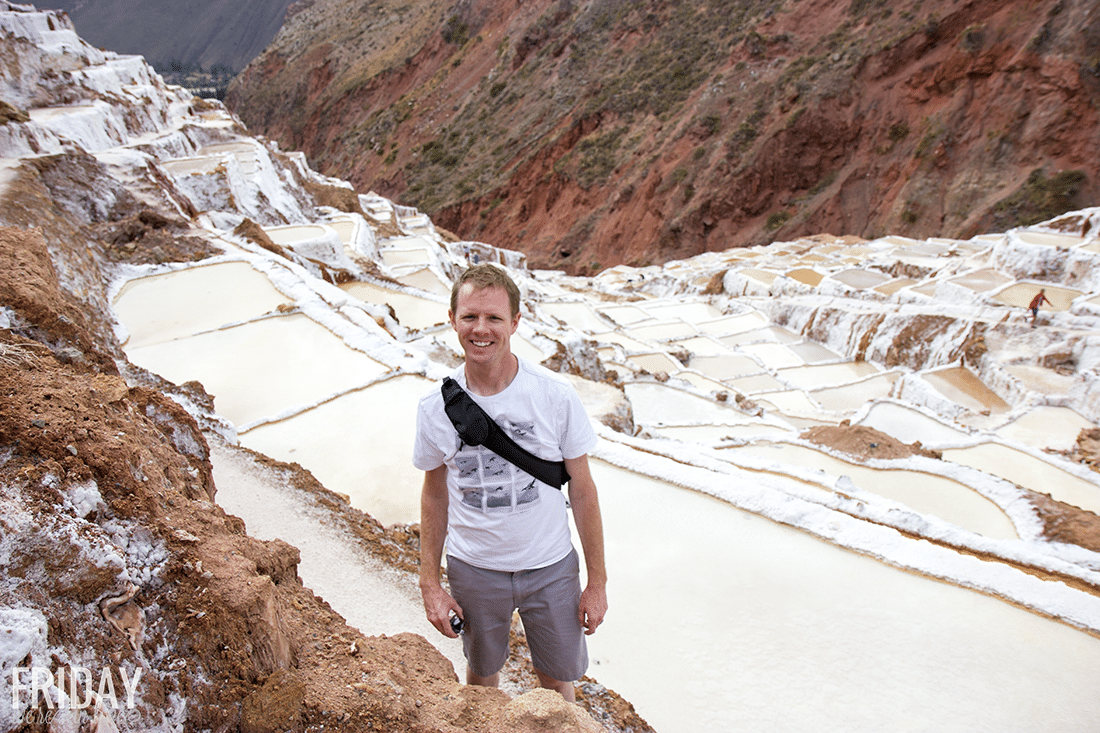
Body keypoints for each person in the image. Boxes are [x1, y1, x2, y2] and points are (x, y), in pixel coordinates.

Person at [413, 264, 608, 702]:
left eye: (494, 318)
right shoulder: (434, 408)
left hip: (551, 566)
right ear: (452, 319)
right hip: (474, 566)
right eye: (470, 317)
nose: (481, 330)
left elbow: (582, 490)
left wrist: (597, 584)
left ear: (515, 323)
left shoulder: (554, 396)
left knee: (558, 680)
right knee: (482, 675)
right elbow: (434, 493)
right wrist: (430, 583)